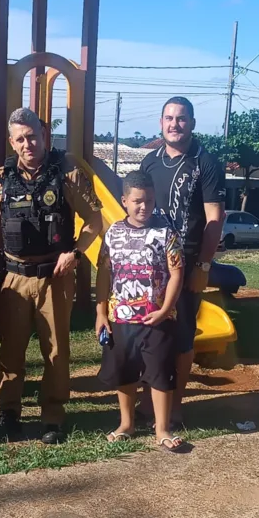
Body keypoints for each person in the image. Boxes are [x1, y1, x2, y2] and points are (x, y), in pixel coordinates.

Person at [0, 107, 103, 444]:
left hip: (54, 277)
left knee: (56, 351)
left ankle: (52, 417)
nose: (27, 144)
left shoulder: (67, 170)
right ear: (11, 141)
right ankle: (9, 414)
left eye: (32, 136)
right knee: (11, 350)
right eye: (20, 139)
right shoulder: (1, 177)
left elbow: (94, 221)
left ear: (43, 133)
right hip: (14, 277)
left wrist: (75, 253)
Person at [139, 96, 226, 425]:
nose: (175, 124)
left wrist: (203, 267)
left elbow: (215, 218)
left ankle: (175, 405)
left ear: (192, 123)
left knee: (182, 336)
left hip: (188, 264)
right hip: (151, 265)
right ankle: (150, 403)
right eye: (169, 118)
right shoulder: (149, 163)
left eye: (182, 118)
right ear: (161, 123)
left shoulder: (205, 162)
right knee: (151, 334)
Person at [96, 171, 185, 452]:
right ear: (124, 201)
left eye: (148, 200)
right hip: (120, 318)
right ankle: (126, 423)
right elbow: (103, 273)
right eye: (137, 201)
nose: (143, 207)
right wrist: (100, 313)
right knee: (124, 372)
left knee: (159, 373)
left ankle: (162, 428)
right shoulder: (113, 233)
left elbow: (176, 273)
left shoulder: (166, 233)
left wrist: (166, 309)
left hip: (156, 319)